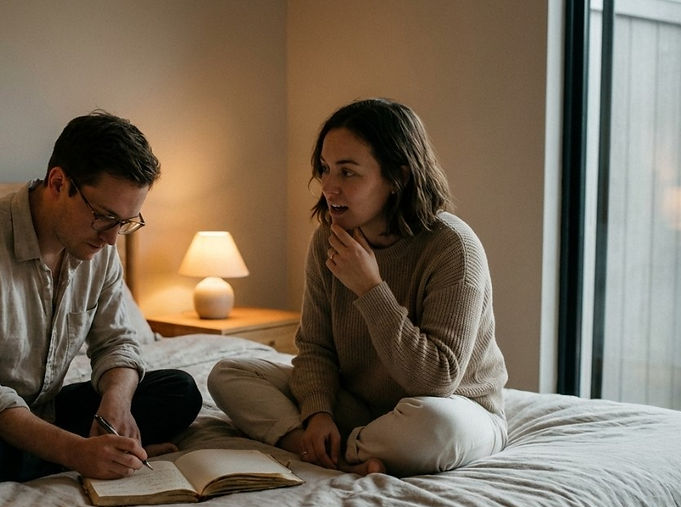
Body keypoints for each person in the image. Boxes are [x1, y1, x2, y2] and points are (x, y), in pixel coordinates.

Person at [0, 111, 202, 488]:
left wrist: (117, 405)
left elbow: (116, 343)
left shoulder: (99, 247)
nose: (113, 239)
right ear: (59, 183)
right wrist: (77, 453)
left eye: (126, 222)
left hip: (39, 409)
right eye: (104, 217)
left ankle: (45, 453)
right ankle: (62, 456)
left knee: (180, 391)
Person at [208, 98, 508, 477]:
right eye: (324, 169)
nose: (329, 187)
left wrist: (370, 288)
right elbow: (315, 348)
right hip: (359, 407)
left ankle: (341, 450)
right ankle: (322, 446)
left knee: (433, 426)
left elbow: (436, 381)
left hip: (454, 409)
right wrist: (317, 414)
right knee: (228, 374)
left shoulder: (453, 247)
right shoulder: (327, 241)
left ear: (397, 177)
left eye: (348, 173)